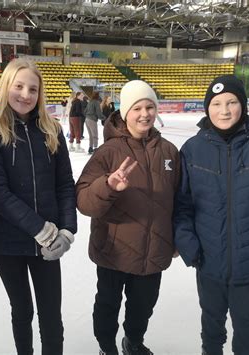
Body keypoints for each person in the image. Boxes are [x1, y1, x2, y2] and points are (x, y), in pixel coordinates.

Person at [173, 75, 249, 355]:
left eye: (231, 102)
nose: (224, 110)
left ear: (243, 104)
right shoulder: (193, 150)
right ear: (207, 108)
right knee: (211, 325)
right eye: (216, 104)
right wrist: (188, 246)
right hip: (208, 261)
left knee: (247, 328)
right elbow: (182, 206)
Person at [0, 58, 77, 355]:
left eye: (33, 88)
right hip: (8, 242)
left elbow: (65, 184)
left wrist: (67, 231)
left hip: (50, 241)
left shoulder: (52, 129)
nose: (25, 94)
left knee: (50, 314)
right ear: (6, 86)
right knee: (22, 310)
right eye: (19, 86)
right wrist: (42, 230)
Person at [76, 80, 180, 355]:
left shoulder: (169, 152)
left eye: (149, 107)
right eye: (137, 108)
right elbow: (83, 200)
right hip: (113, 249)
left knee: (143, 306)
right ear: (124, 113)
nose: (144, 114)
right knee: (108, 304)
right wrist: (108, 186)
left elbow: (181, 200)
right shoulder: (108, 151)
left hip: (153, 250)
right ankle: (106, 346)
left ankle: (133, 342)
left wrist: (177, 239)